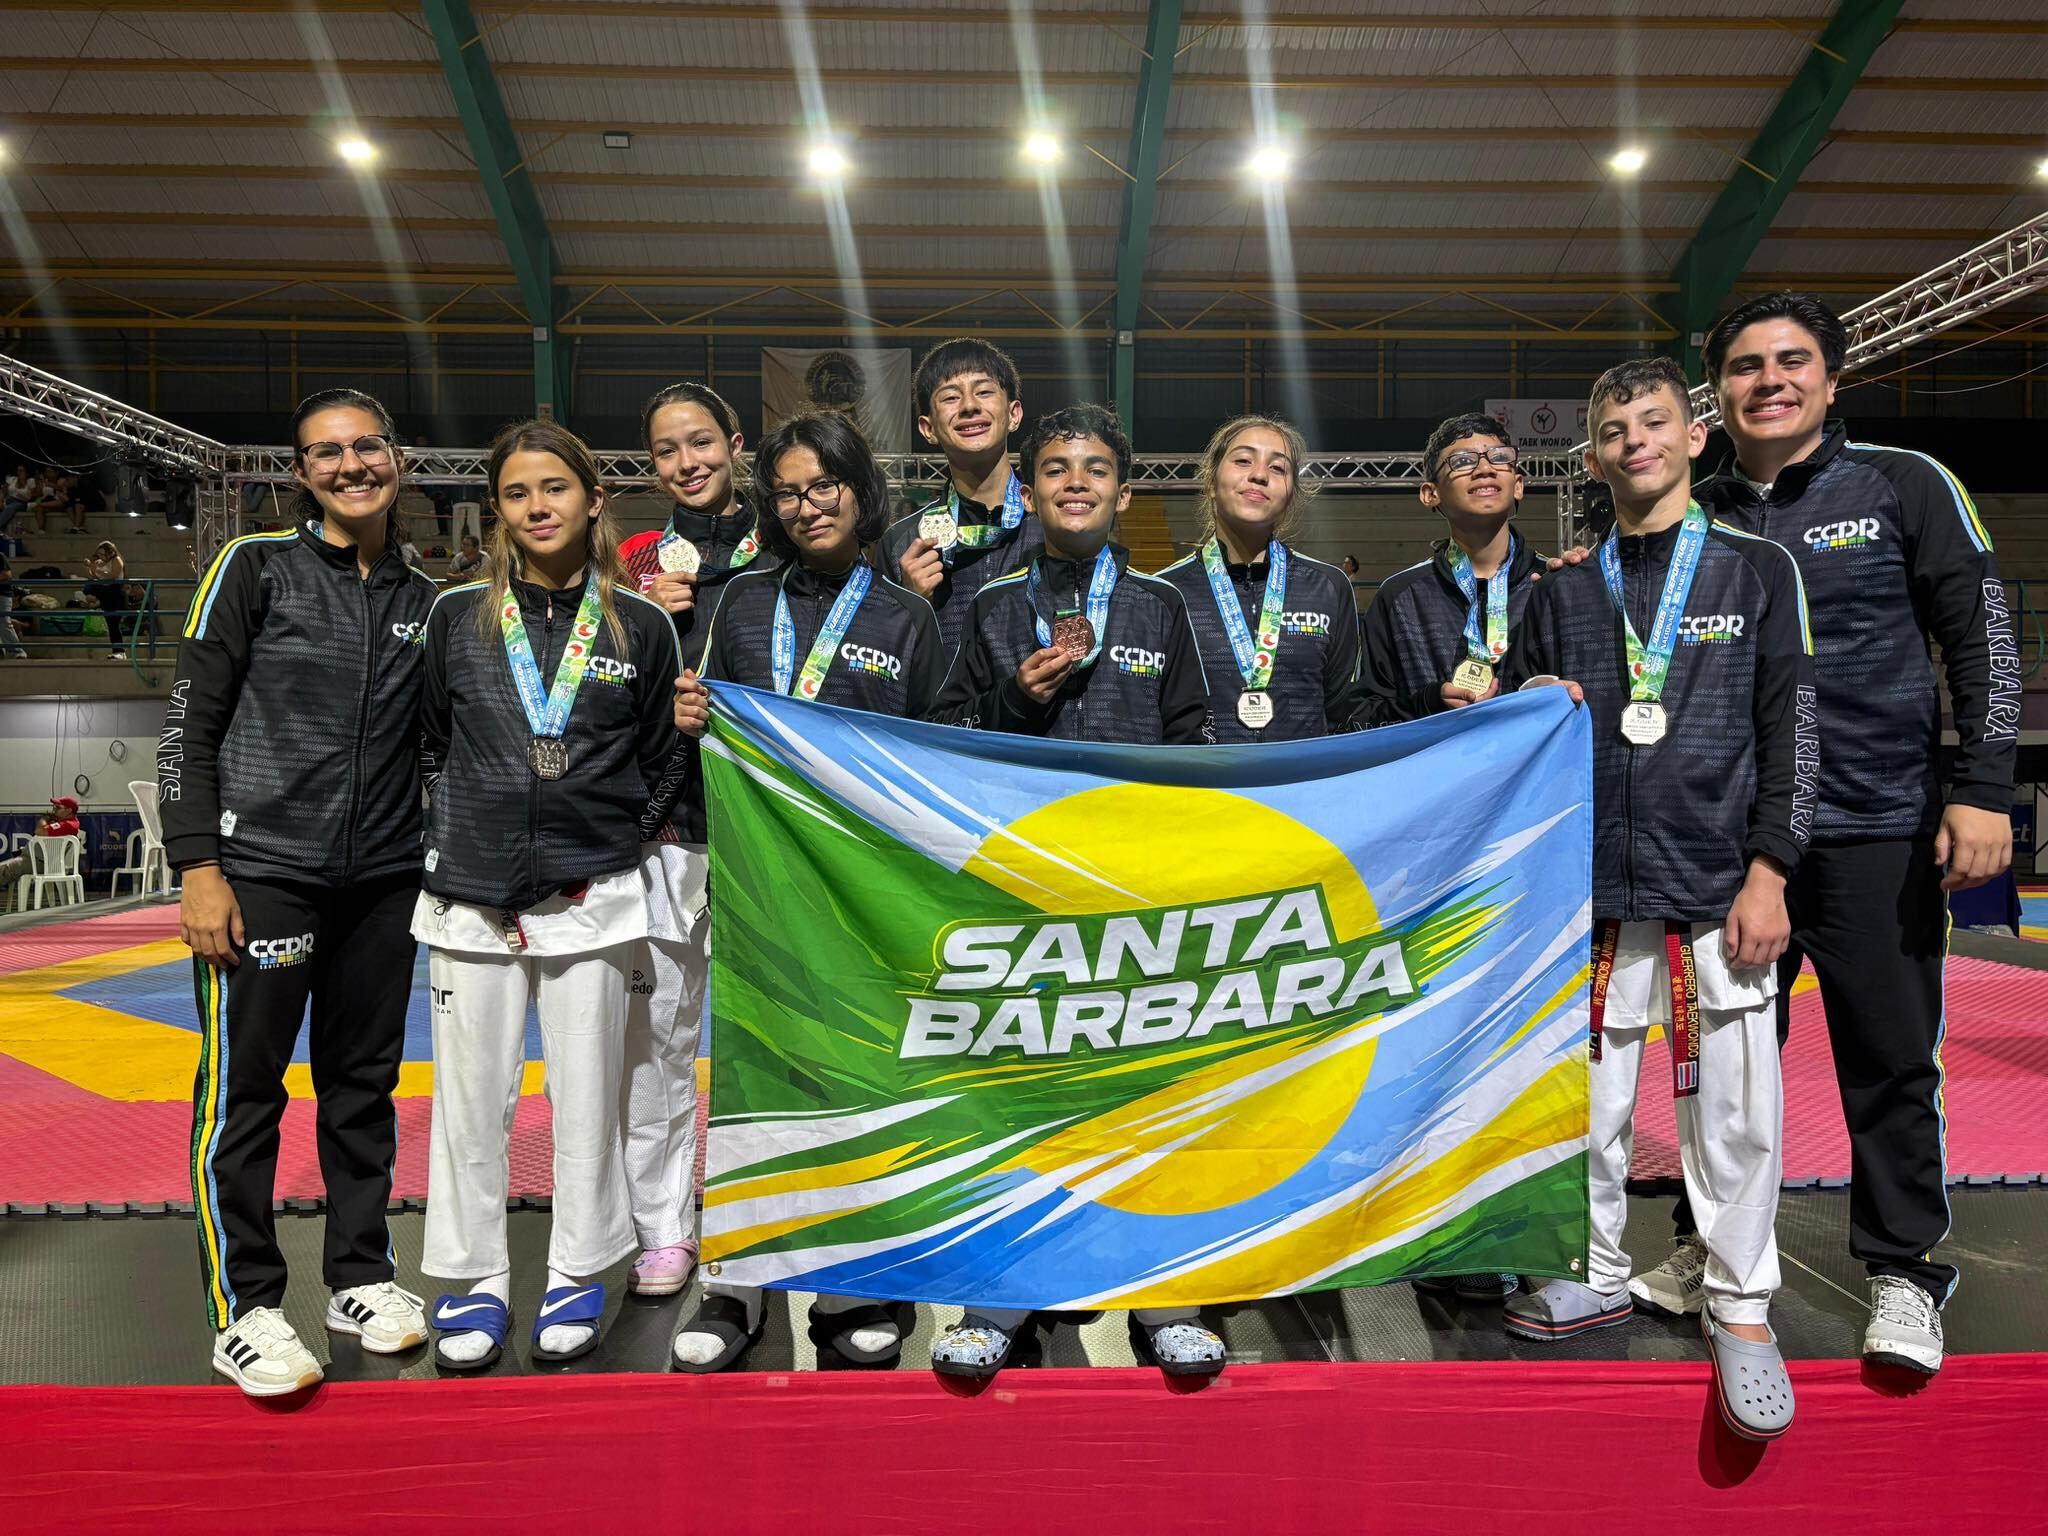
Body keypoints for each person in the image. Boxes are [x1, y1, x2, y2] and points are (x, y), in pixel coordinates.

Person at [1631, 293, 2014, 1377]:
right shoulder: (1691, 510)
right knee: (1721, 1066)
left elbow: (1980, 632)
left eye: (1791, 361)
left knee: (1888, 1056)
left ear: (1831, 380)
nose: (1770, 381)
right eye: (1745, 365)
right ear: (1717, 394)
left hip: (1871, 822)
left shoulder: (1902, 483)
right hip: (1731, 840)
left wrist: (1983, 786)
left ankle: (1901, 1269)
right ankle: (1709, 1244)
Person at [1501, 356, 1815, 1443]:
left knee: (1732, 1115)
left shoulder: (1754, 569)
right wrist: (1526, 696)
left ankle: (1740, 1304)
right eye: (1612, 429)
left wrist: (1771, 869)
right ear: (1592, 458)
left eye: (1652, 422)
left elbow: (1792, 729)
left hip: (1717, 891)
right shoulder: (1558, 590)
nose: (1633, 440)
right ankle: (1590, 1271)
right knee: (1582, 1108)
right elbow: (1520, 731)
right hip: (1588, 896)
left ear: (1692, 438)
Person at [930, 402, 1222, 1381]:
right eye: (1056, 468)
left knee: (1151, 1093)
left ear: (1123, 492)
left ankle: (1166, 1299)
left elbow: (1192, 741)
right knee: (1017, 1097)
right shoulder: (988, 604)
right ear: (1028, 489)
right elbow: (953, 738)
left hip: (1136, 891)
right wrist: (1017, 698)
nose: (1075, 483)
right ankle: (998, 1303)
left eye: (1095, 469)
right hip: (1024, 889)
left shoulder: (1160, 607)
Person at [158, 387, 439, 1398]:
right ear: (300, 474)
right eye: (327, 452)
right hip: (262, 875)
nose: (350, 465)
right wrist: (199, 867)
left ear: (398, 458)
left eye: (367, 446)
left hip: (385, 883)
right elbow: (187, 723)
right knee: (244, 1097)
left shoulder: (428, 598)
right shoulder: (253, 567)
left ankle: (359, 1277)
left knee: (364, 1090)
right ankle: (245, 1308)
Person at [666, 409, 946, 1374]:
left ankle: (856, 1283)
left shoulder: (906, 617)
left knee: (861, 1077)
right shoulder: (740, 600)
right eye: (787, 492)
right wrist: (690, 713)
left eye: (824, 486)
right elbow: (699, 713)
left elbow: (934, 751)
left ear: (860, 491)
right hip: (754, 877)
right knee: (751, 1079)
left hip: (862, 890)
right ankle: (736, 1281)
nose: (807, 506)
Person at [413, 419, 681, 1374]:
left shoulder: (641, 625)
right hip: (470, 898)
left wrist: (610, 842)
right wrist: (462, 827)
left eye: (556, 488)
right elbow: (430, 743)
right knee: (469, 1103)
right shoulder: (455, 616)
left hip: (593, 896)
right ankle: (472, 1277)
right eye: (518, 493)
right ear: (498, 510)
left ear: (593, 499)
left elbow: (663, 759)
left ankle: (578, 1269)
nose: (538, 507)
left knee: (588, 1100)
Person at [611, 381, 778, 1307]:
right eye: (668, 449)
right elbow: (592, 691)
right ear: (652, 466)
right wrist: (641, 619)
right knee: (660, 1042)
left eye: (702, 441)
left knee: (778, 1043)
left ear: (736, 443)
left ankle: (777, 1217)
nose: (688, 462)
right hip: (670, 828)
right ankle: (665, 1230)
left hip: (774, 827)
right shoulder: (631, 559)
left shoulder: (787, 541)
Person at [1153, 414, 1362, 741]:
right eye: (1243, 460)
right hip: (1203, 775)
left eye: (1278, 468)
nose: (1259, 475)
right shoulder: (1164, 594)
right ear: (1211, 483)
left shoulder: (1329, 587)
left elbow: (1344, 714)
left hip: (1304, 774)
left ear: (1291, 495)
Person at [1357, 413, 1542, 731]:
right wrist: (1428, 704)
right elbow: (1362, 714)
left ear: (1518, 485)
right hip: (1436, 763)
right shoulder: (1400, 597)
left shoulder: (1553, 583)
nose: (1484, 469)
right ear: (1431, 493)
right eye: (1463, 461)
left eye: (1499, 458)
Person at [877, 337, 1044, 652]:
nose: (969, 406)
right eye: (951, 397)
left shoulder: (1051, 528)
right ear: (928, 428)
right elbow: (885, 658)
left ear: (1014, 414)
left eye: (984, 392)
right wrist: (909, 605)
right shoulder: (903, 543)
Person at [83, 540, 127, 659]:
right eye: (99, 554)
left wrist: (97, 571)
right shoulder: (99, 562)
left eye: (103, 554)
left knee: (114, 623)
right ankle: (117, 651)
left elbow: (113, 576)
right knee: (110, 623)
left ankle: (119, 651)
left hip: (115, 593)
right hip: (105, 593)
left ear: (110, 552)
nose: (101, 557)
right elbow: (93, 577)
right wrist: (89, 567)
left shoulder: (116, 560)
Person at [0, 550, 26, 657]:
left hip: (2, 594)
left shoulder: (0, 556)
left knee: (4, 622)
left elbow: (6, 574)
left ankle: (18, 650)